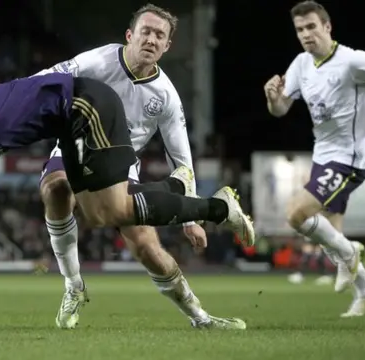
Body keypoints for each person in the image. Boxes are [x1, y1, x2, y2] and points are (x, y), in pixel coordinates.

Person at [0, 73, 254, 307]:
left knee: (113, 209)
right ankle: (182, 190)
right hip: (67, 123)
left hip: (85, 105)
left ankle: (217, 208)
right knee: (98, 213)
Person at [34, 4, 248, 330]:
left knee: (148, 247)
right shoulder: (98, 61)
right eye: (145, 32)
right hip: (75, 149)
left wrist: (190, 218)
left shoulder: (166, 97)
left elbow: (182, 162)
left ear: (167, 46)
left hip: (121, 168)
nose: (151, 39)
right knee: (55, 187)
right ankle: (73, 285)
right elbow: (44, 80)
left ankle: (199, 318)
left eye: (159, 35)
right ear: (130, 35)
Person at [264, 0, 365, 317]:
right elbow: (281, 110)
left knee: (295, 214)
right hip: (323, 158)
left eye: (311, 26)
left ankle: (349, 252)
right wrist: (273, 97)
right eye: (300, 29)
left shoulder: (352, 61)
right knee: (330, 231)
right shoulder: (301, 64)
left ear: (327, 27)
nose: (305, 34)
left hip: (349, 161)